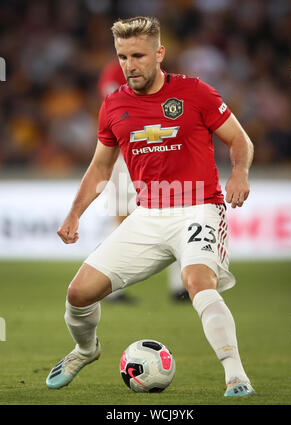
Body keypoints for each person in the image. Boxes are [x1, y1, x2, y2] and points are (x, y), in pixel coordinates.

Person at [46, 16, 255, 397]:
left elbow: (239, 140)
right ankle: (86, 350)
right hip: (148, 216)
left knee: (197, 283)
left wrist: (239, 173)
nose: (130, 65)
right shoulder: (113, 106)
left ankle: (236, 375)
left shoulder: (196, 93)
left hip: (199, 208)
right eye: (123, 56)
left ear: (160, 54)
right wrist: (74, 213)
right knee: (78, 295)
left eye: (138, 55)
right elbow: (100, 168)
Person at [98, 60, 188, 303]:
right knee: (122, 218)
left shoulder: (162, 76)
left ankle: (181, 285)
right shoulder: (116, 72)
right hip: (126, 155)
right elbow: (115, 111)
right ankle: (111, 288)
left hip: (159, 153)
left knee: (173, 213)